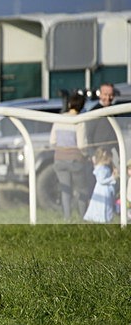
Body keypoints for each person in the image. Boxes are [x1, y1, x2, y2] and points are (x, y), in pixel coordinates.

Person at [49, 92, 89, 221]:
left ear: (69, 104)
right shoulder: (79, 121)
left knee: (65, 190)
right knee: (82, 189)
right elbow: (82, 145)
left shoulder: (59, 119)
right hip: (75, 160)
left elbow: (52, 141)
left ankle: (67, 217)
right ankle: (83, 216)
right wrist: (86, 155)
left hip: (59, 159)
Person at [83, 147, 117, 223]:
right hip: (102, 190)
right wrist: (112, 178)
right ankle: (101, 218)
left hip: (106, 189)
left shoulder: (105, 168)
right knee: (101, 205)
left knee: (107, 204)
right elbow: (101, 180)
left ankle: (107, 217)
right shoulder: (100, 168)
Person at [86, 83, 118, 161]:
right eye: (105, 94)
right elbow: (88, 135)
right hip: (99, 156)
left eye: (111, 95)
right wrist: (93, 155)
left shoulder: (117, 110)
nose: (108, 98)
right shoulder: (94, 112)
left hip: (113, 154)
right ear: (100, 95)